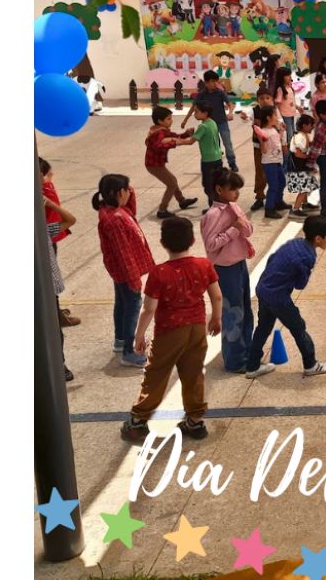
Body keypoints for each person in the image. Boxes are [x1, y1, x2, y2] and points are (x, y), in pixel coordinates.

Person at [120, 217, 222, 443]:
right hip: (197, 327)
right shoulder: (204, 265)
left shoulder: (159, 272)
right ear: (192, 240)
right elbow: (216, 296)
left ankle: (138, 421)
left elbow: (149, 309)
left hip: (169, 331)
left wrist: (139, 335)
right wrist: (216, 318)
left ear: (163, 243)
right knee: (193, 373)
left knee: (156, 374)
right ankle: (195, 421)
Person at [246, 216, 326, 379]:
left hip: (263, 289)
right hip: (278, 298)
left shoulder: (295, 243)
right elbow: (300, 285)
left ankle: (252, 366)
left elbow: (272, 259)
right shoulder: (308, 256)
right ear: (318, 238)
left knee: (263, 327)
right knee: (298, 328)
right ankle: (311, 364)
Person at [93, 174, 155, 368]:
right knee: (133, 306)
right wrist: (134, 279)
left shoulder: (115, 210)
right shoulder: (116, 220)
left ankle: (120, 340)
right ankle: (130, 351)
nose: (130, 192)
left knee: (122, 303)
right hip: (126, 271)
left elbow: (131, 207)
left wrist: (128, 190)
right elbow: (124, 253)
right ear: (120, 193)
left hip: (120, 271)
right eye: (127, 189)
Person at [201, 170, 256, 373]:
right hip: (224, 270)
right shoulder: (213, 215)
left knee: (245, 310)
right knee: (233, 313)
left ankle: (247, 350)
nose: (237, 193)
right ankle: (235, 360)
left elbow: (248, 230)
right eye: (233, 189)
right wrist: (233, 229)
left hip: (239, 264)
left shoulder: (234, 207)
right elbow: (211, 244)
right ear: (219, 190)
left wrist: (242, 225)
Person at [42, 190, 78, 382]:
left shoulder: (45, 231)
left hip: (50, 291)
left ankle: (59, 363)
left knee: (56, 331)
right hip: (40, 291)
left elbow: (70, 220)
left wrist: (49, 204)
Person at [40, 158, 78, 328]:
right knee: (50, 280)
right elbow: (68, 217)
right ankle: (56, 315)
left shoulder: (43, 190)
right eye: (47, 175)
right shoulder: (44, 192)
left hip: (51, 233)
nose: (51, 177)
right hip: (48, 236)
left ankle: (56, 310)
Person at [181, 70, 244, 171]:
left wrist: (230, 113)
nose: (215, 84)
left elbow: (230, 104)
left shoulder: (220, 93)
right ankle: (218, 164)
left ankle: (232, 163)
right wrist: (185, 120)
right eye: (213, 81)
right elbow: (193, 107)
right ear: (206, 82)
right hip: (209, 125)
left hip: (222, 122)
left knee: (227, 143)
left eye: (216, 81)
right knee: (214, 146)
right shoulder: (201, 95)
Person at [145, 106, 199, 219]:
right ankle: (162, 209)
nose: (171, 121)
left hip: (156, 163)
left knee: (172, 180)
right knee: (171, 184)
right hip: (154, 164)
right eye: (168, 119)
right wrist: (174, 143)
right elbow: (158, 146)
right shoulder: (159, 133)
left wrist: (185, 134)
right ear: (160, 121)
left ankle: (182, 201)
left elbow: (174, 136)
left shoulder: (160, 130)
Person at [253, 104, 289, 219]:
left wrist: (282, 131)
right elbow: (264, 151)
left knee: (282, 182)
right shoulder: (264, 132)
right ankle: (269, 208)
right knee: (273, 185)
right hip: (269, 163)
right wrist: (262, 141)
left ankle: (278, 202)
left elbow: (278, 142)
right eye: (275, 115)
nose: (277, 118)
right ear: (268, 118)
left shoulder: (273, 130)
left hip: (277, 161)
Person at [191, 101, 224, 209]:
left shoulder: (203, 126)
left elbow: (191, 141)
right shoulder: (213, 123)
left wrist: (176, 141)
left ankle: (213, 207)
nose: (195, 114)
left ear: (205, 113)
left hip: (208, 160)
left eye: (196, 112)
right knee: (216, 183)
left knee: (208, 185)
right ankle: (217, 205)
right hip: (217, 157)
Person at [285, 114, 319, 217]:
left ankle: (305, 203)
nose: (313, 127)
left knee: (306, 186)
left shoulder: (303, 135)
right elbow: (298, 154)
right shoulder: (300, 137)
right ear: (304, 126)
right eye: (311, 125)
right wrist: (310, 157)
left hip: (301, 166)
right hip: (298, 167)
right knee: (303, 189)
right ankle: (295, 209)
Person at [248, 86, 277, 211]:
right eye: (261, 98)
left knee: (275, 172)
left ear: (272, 99)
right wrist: (244, 117)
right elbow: (247, 117)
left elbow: (280, 124)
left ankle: (276, 198)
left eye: (267, 98)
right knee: (260, 172)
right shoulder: (254, 111)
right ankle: (259, 197)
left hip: (273, 147)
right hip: (258, 148)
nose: (265, 100)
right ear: (257, 100)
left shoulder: (274, 111)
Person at [273, 66, 299, 140]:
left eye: (290, 75)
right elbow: (277, 103)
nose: (290, 77)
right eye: (287, 75)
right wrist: (277, 116)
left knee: (292, 131)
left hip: (291, 113)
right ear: (281, 77)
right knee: (289, 133)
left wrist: (298, 107)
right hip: (285, 115)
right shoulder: (280, 89)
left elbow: (292, 101)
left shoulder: (289, 88)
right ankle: (289, 145)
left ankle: (291, 144)